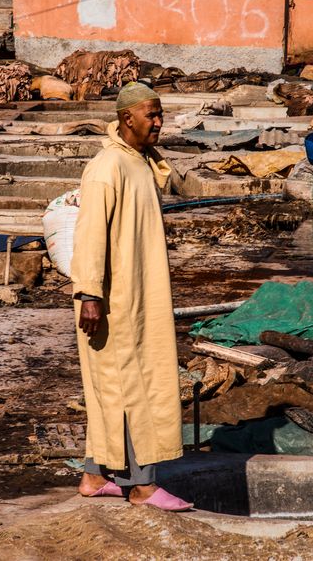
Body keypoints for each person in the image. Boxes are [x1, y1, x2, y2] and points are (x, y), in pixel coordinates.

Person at [70, 82, 192, 512]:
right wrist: (89, 294)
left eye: (160, 115)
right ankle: (141, 486)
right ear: (127, 119)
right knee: (132, 387)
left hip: (139, 291)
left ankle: (93, 476)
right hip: (112, 299)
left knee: (112, 387)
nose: (159, 122)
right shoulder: (108, 168)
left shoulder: (138, 161)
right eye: (151, 116)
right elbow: (89, 237)